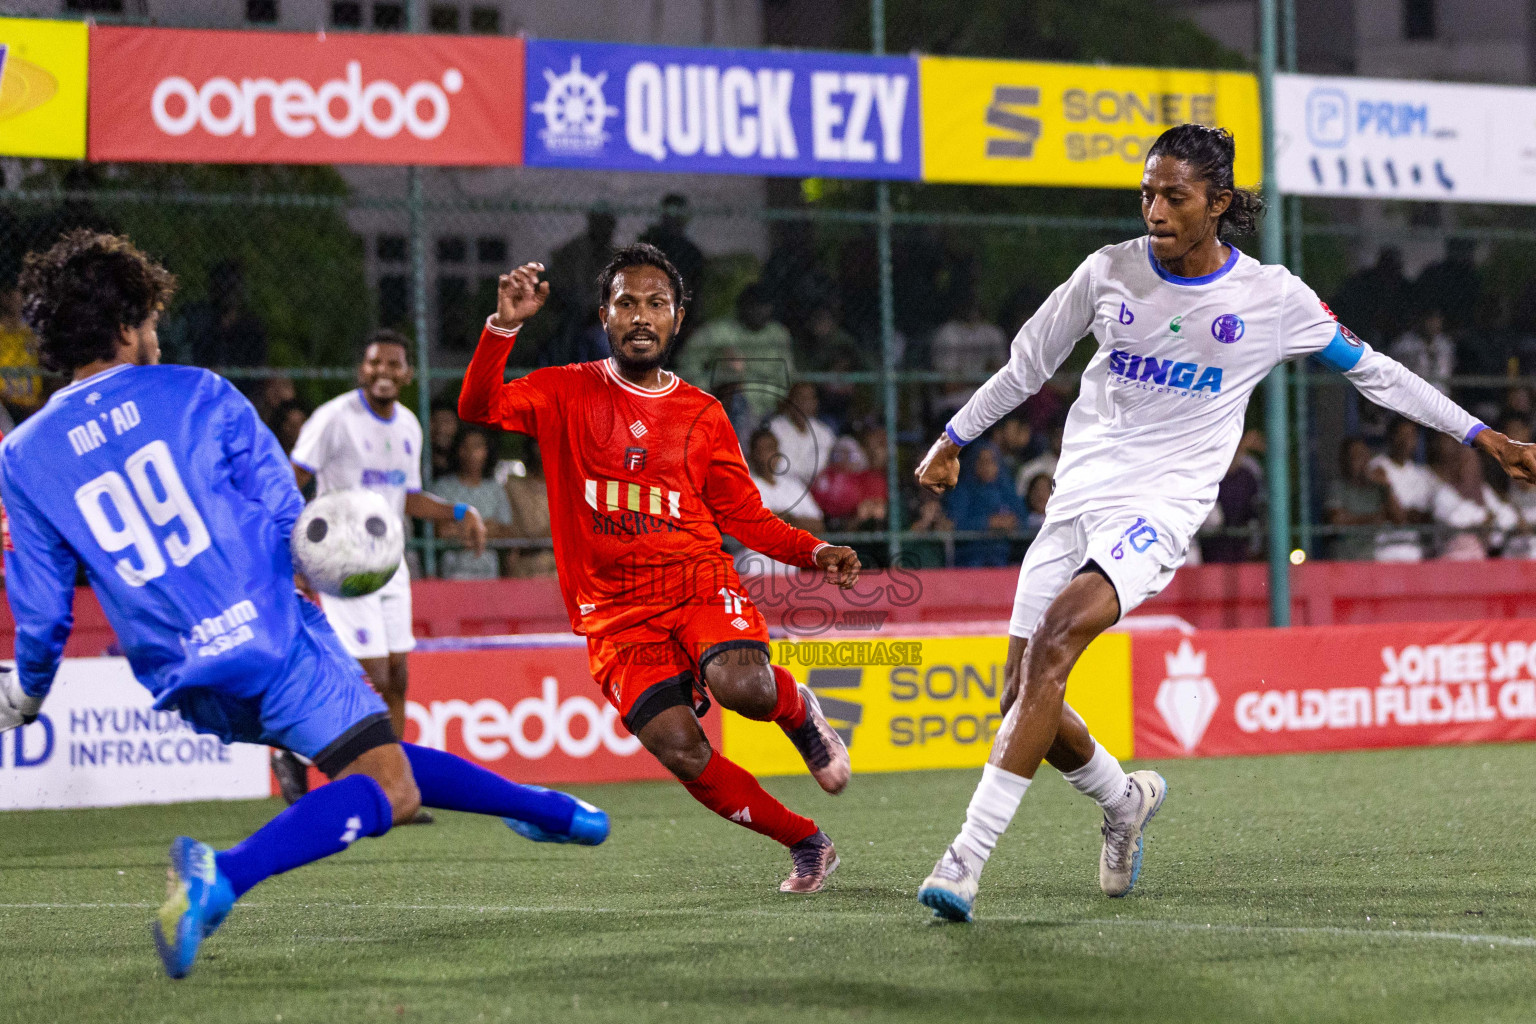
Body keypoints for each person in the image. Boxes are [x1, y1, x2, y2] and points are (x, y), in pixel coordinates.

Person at [910, 124, 1536, 923]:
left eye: (1174, 195)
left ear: (1219, 203)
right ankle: (1124, 797)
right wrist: (951, 439)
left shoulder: (1273, 298)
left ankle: (965, 859)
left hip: (1161, 507)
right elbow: (1025, 367)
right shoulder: (1108, 272)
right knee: (1019, 695)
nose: (1155, 210)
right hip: (1075, 500)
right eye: (1147, 192)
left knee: (1058, 641)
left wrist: (1485, 438)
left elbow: (1376, 372)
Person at [0, 230, 607, 981]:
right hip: (272, 636)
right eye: (149, 319)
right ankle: (222, 875)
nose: (155, 333)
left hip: (181, 676)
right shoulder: (197, 393)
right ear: (127, 326)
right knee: (388, 785)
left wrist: (24, 694)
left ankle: (550, 812)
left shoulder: (22, 456)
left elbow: (43, 600)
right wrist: (326, 567)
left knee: (370, 755)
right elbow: (291, 515)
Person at [458, 243, 863, 894]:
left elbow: (745, 516)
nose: (640, 316)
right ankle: (806, 841)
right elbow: (478, 408)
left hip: (695, 581)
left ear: (678, 319)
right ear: (604, 316)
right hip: (612, 615)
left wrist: (813, 552)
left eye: (656, 304)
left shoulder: (702, 413)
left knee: (744, 687)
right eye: (626, 303)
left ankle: (797, 711)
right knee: (681, 747)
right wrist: (503, 324)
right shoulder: (565, 390)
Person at [278, 330, 489, 816]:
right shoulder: (333, 418)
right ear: (362, 370)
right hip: (344, 561)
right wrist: (291, 554)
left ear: (408, 374)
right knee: (369, 671)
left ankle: (397, 791)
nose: (384, 372)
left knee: (397, 676)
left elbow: (407, 498)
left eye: (394, 365)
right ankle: (293, 750)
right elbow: (292, 482)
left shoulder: (410, 426)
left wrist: (459, 512)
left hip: (390, 563)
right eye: (375, 363)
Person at [675, 283, 794, 420]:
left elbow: (786, 379)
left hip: (769, 408)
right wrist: (709, 387)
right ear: (741, 306)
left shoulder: (778, 334)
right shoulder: (719, 331)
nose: (759, 311)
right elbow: (687, 365)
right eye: (753, 306)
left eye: (764, 306)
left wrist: (758, 393)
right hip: (724, 403)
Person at [433, 426, 516, 580]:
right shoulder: (442, 487)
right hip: (452, 575)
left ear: (487, 451)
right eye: (465, 446)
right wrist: (486, 529)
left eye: (477, 446)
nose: (471, 453)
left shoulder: (495, 489)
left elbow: (507, 532)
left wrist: (463, 529)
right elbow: (441, 531)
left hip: (489, 575)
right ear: (457, 450)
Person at [943, 442, 1026, 568]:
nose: (987, 467)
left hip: (1005, 561)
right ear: (973, 463)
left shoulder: (1006, 488)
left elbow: (1024, 519)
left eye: (991, 461)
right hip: (969, 561)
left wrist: (1013, 522)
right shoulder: (962, 491)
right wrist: (988, 523)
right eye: (982, 461)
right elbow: (954, 524)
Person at [1368, 417, 1439, 561]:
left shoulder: (1421, 474)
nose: (1406, 440)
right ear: (1391, 437)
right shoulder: (1378, 466)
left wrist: (1406, 514)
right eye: (1401, 435)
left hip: (1412, 551)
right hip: (1383, 550)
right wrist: (1405, 514)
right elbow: (1397, 517)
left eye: (1411, 435)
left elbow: (1421, 516)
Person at [931, 292, 1010, 417]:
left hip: (990, 405)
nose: (972, 305)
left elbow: (1003, 379)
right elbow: (949, 387)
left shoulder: (993, 333)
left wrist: (965, 378)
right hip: (953, 407)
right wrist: (984, 376)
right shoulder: (947, 333)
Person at [1325, 437, 1398, 561]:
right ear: (1344, 461)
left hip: (1376, 557)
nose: (1359, 461)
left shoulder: (1378, 487)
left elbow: (1398, 518)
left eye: (1363, 456)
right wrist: (1373, 518)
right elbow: (1336, 519)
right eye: (1354, 456)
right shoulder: (1338, 487)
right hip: (1345, 558)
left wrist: (1387, 486)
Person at [638, 193, 705, 326]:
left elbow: (696, 290)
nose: (673, 219)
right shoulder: (647, 245)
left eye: (678, 214)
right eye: (669, 213)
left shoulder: (692, 253)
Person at [767, 381, 836, 489]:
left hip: (816, 491)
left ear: (815, 403)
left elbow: (825, 468)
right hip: (782, 488)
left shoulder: (824, 433)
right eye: (798, 398)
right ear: (789, 401)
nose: (803, 403)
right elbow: (778, 467)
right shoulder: (774, 428)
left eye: (808, 399)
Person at [1389, 307, 1455, 395]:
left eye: (1436, 321)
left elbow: (1448, 373)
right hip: (1412, 395)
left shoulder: (1445, 344)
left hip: (1440, 396)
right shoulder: (1404, 344)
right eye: (1430, 320)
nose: (1433, 324)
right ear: (1421, 321)